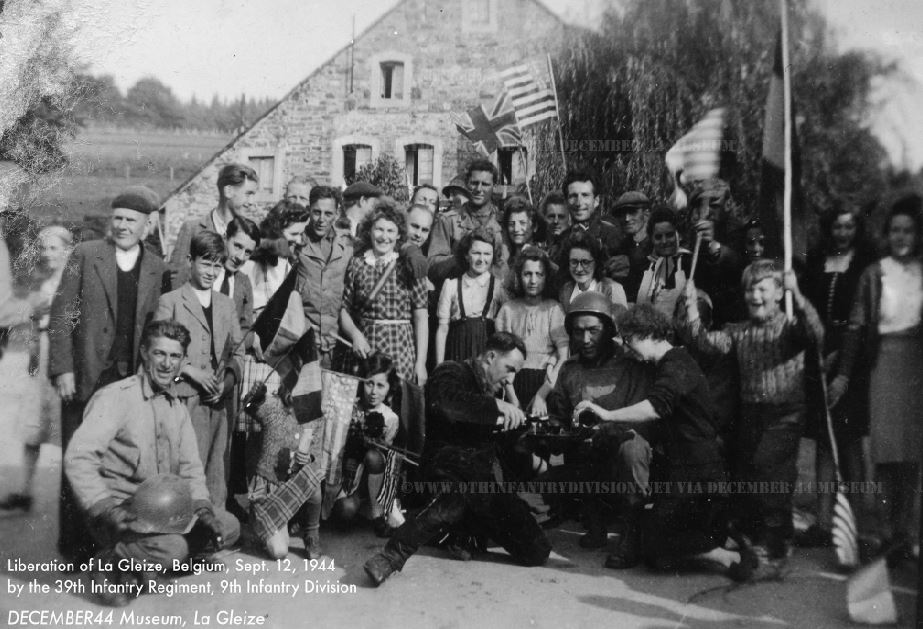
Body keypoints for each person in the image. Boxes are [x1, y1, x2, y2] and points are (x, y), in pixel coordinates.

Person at [64, 319, 240, 607]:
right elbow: (77, 457)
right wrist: (106, 507)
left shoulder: (178, 409)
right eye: (160, 353)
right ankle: (109, 560)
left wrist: (203, 510)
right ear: (145, 353)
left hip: (161, 510)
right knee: (174, 548)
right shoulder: (116, 398)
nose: (167, 364)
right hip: (121, 512)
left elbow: (192, 470)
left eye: (175, 356)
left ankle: (146, 562)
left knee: (227, 526)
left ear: (183, 361)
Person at [577, 305, 755, 581]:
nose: (627, 346)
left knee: (655, 549)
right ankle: (723, 539)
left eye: (629, 339)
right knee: (660, 534)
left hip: (698, 473)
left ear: (648, 333)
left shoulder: (676, 364)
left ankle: (726, 555)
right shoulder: (668, 364)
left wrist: (607, 415)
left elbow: (657, 407)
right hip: (690, 469)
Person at [363, 332, 551, 586]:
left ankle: (458, 532)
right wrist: (496, 406)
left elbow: (496, 444)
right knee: (458, 495)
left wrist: (521, 436)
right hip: (443, 470)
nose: (511, 379)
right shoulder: (450, 372)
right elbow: (447, 404)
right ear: (490, 357)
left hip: (481, 485)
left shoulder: (493, 392)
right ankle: (391, 556)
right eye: (509, 369)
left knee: (537, 551)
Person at [50, 185, 169, 563]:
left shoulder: (155, 267)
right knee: (78, 457)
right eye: (117, 218)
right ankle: (74, 547)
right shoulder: (85, 255)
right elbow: (60, 314)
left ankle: (113, 545)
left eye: (130, 220)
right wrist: (63, 368)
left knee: (120, 462)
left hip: (128, 380)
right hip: (85, 376)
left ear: (147, 226)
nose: (121, 226)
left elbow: (156, 327)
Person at [680, 260, 824, 573]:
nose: (755, 295)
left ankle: (776, 543)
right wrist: (691, 307)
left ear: (777, 293)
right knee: (749, 474)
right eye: (750, 289)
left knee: (770, 472)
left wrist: (797, 293)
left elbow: (815, 334)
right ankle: (761, 536)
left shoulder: (789, 328)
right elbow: (704, 344)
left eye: (762, 289)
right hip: (751, 412)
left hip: (785, 413)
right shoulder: (739, 332)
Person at [835, 194, 923, 562]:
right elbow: (855, 327)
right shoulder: (875, 273)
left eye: (908, 230)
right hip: (884, 366)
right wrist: (842, 374)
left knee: (913, 456)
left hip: (916, 367)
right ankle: (885, 532)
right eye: (895, 230)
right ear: (887, 233)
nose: (902, 236)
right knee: (887, 455)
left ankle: (908, 532)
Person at [544, 291, 654, 568]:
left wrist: (610, 426)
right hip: (587, 449)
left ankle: (630, 534)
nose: (586, 339)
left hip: (628, 444)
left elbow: (645, 417)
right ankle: (594, 522)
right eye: (578, 332)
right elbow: (558, 414)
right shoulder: (569, 370)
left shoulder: (632, 364)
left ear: (609, 330)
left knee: (631, 448)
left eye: (593, 330)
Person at [800, 201, 878, 546]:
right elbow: (809, 307)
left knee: (849, 443)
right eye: (837, 227)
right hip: (819, 353)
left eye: (848, 227)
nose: (842, 233)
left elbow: (864, 320)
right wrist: (818, 350)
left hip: (853, 357)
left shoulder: (865, 265)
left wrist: (843, 360)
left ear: (857, 229)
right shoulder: (817, 261)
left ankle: (857, 525)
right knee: (823, 441)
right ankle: (821, 519)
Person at [155, 231, 245, 510]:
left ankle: (212, 534)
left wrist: (226, 383)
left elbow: (238, 351)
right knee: (184, 468)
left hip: (218, 403)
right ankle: (183, 536)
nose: (212, 272)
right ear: (189, 261)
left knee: (217, 469)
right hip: (183, 400)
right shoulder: (171, 302)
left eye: (218, 265)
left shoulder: (226, 304)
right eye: (206, 263)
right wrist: (191, 371)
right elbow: (158, 355)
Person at [1, 225, 73, 512]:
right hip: (40, 357)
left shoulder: (72, 282)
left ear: (67, 249)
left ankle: (71, 499)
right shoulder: (42, 282)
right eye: (43, 248)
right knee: (32, 426)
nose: (48, 254)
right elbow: (33, 325)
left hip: (61, 358)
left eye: (54, 248)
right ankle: (25, 489)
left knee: (65, 428)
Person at [339, 201, 428, 384]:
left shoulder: (409, 265)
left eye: (390, 231)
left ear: (398, 235)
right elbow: (344, 310)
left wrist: (421, 363)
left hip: (400, 350)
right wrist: (355, 335)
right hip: (365, 349)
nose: (384, 236)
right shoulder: (356, 264)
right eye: (379, 229)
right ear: (369, 231)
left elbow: (421, 317)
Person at [245, 377, 324, 561]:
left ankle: (311, 533)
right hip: (269, 489)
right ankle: (258, 521)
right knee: (280, 552)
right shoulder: (273, 407)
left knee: (314, 481)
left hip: (292, 485)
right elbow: (249, 408)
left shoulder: (315, 418)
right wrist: (254, 396)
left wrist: (304, 460)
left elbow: (316, 458)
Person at [332, 353, 405, 536]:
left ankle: (376, 513)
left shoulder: (390, 418)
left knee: (374, 456)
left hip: (375, 479)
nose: (373, 392)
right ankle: (357, 509)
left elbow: (388, 461)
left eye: (380, 385)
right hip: (351, 477)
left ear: (389, 388)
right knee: (344, 511)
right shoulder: (350, 408)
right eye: (369, 383)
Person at [494, 247, 568, 416]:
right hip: (514, 383)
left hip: (546, 384)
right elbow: (501, 357)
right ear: (519, 276)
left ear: (546, 277)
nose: (533, 280)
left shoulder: (554, 309)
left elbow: (564, 356)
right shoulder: (508, 310)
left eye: (539, 274)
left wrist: (542, 395)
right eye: (527, 274)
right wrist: (513, 400)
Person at [169, 163, 258, 285]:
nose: (252, 202)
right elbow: (177, 279)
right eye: (248, 194)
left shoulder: (249, 237)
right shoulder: (193, 229)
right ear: (228, 191)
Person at [295, 186, 353, 367]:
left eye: (328, 214)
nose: (321, 219)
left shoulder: (347, 249)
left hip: (336, 348)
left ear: (336, 214)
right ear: (309, 210)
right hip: (302, 347)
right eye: (316, 212)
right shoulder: (297, 245)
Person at [435, 227, 504, 364]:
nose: (481, 259)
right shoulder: (451, 285)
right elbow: (443, 329)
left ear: (493, 256)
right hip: (457, 352)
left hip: (486, 354)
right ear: (467, 255)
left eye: (487, 254)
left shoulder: (498, 287)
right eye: (476, 253)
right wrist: (440, 365)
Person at [428, 160, 506, 280]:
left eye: (485, 184)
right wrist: (465, 257)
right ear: (466, 184)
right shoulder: (448, 221)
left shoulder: (504, 223)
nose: (479, 189)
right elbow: (432, 265)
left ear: (494, 187)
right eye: (474, 183)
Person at [244, 202, 308, 318]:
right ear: (276, 230)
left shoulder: (285, 262)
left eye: (301, 234)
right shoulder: (250, 263)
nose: (299, 240)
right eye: (294, 234)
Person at [562, 170, 625, 276]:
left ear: (596, 201)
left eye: (585, 195)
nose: (579, 203)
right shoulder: (562, 239)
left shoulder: (611, 235)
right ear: (566, 202)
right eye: (573, 196)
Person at [635, 207, 690, 316]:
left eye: (669, 235)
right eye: (658, 237)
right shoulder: (644, 265)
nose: (664, 241)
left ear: (678, 235)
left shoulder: (689, 262)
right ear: (651, 238)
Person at [558, 230, 627, 312]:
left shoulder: (612, 288)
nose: (579, 269)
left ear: (596, 262)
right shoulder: (566, 290)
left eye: (585, 262)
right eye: (574, 262)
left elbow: (621, 322)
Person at [610, 191, 652, 302]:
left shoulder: (657, 245)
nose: (627, 218)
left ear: (646, 214)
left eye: (633, 212)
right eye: (622, 214)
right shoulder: (618, 249)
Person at [501, 195, 545, 263]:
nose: (516, 229)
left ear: (534, 227)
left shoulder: (542, 258)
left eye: (522, 223)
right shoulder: (505, 258)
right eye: (511, 224)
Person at [540, 191, 570, 265]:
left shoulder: (574, 249)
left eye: (561, 217)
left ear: (569, 219)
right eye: (551, 216)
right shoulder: (539, 245)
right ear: (544, 218)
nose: (556, 221)